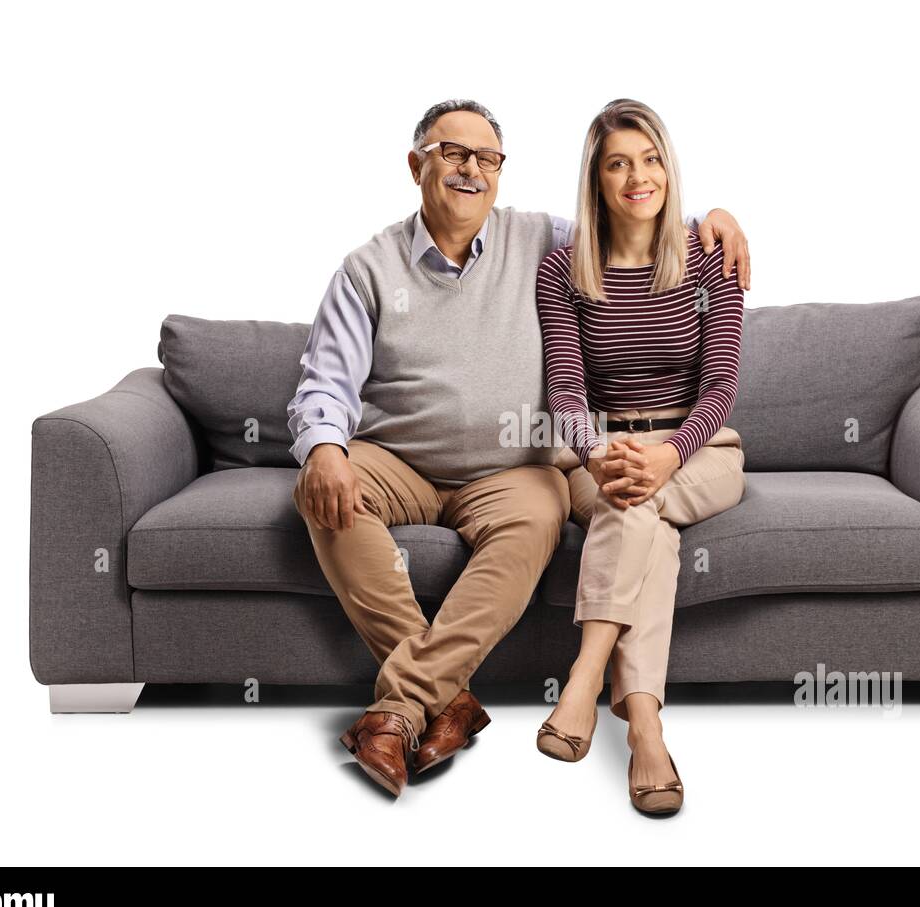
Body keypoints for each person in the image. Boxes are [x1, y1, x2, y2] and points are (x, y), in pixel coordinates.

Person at [287, 98, 751, 799]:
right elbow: (326, 383)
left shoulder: (539, 241)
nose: (472, 170)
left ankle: (521, 691)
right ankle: (434, 699)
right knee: (326, 490)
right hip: (400, 459)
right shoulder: (371, 269)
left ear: (502, 173)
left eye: (488, 159)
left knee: (562, 509)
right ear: (417, 165)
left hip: (532, 468)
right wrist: (324, 448)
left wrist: (714, 217)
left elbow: (636, 217)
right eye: (453, 154)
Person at [534, 98, 747, 814]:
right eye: (619, 163)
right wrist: (596, 454)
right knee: (639, 517)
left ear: (668, 167)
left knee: (642, 496)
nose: (638, 177)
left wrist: (671, 454)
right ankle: (648, 732)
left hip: (701, 448)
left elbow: (720, 386)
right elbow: (565, 386)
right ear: (596, 178)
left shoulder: (708, 257)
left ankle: (584, 681)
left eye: (651, 159)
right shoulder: (563, 269)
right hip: (606, 453)